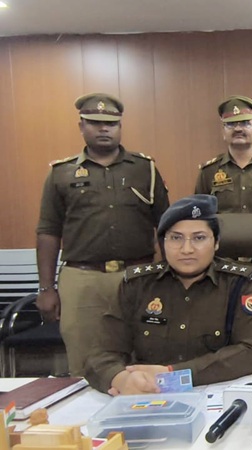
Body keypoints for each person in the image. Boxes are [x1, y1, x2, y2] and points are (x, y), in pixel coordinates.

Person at [36, 93, 170, 376]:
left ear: (120, 126)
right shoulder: (62, 173)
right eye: (95, 123)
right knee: (84, 359)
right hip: (83, 279)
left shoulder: (145, 169)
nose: (104, 129)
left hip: (138, 276)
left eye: (111, 123)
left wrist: (169, 275)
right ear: (81, 126)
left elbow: (165, 225)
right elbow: (48, 231)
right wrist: (46, 288)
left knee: (144, 356)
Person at [85, 195, 252, 395]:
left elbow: (251, 351)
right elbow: (100, 355)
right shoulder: (137, 284)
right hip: (149, 394)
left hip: (216, 393)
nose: (187, 249)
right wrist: (121, 380)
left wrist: (173, 375)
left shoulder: (239, 283)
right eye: (176, 238)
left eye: (199, 238)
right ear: (163, 243)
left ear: (216, 242)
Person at [195, 96, 252, 213]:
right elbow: (200, 214)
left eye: (245, 123)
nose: (238, 129)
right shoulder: (209, 171)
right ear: (223, 132)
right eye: (230, 124)